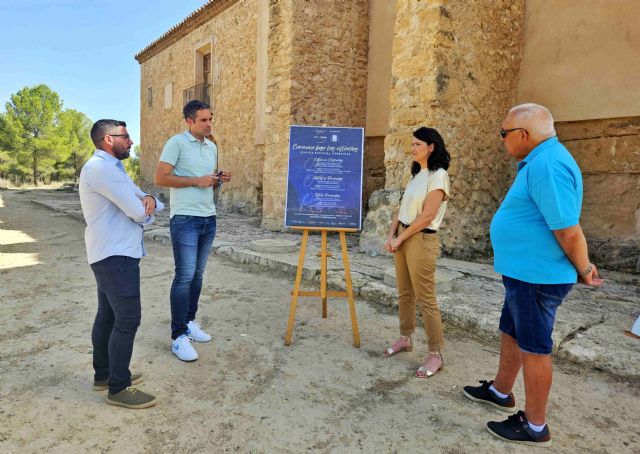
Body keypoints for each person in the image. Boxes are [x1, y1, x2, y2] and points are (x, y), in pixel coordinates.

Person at [462, 104, 603, 447]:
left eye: (503, 134)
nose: (502, 141)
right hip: (523, 273)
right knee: (511, 331)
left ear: (522, 135)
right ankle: (500, 390)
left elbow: (569, 231)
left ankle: (535, 426)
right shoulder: (540, 160)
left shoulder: (548, 166)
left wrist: (585, 269)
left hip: (537, 278)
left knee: (535, 348)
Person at [79, 119, 164, 409]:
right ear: (107, 140)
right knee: (126, 320)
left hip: (111, 253)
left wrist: (150, 199)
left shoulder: (113, 168)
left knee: (107, 316)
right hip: (116, 256)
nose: (131, 142)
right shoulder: (102, 169)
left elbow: (146, 199)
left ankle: (105, 375)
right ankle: (119, 387)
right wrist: (146, 206)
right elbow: (138, 212)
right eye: (125, 137)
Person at [154, 100, 231, 362]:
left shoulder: (211, 146)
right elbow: (161, 177)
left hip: (209, 218)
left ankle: (189, 322)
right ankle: (178, 337)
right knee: (184, 276)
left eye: (211, 119)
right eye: (203, 120)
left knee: (197, 275)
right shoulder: (176, 143)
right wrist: (197, 181)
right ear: (189, 122)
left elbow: (206, 182)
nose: (209, 124)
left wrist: (217, 179)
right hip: (185, 219)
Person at [382, 126, 451, 378]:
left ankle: (435, 354)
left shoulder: (438, 175)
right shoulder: (416, 176)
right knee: (405, 293)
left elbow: (427, 216)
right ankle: (405, 337)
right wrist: (391, 235)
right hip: (403, 236)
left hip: (421, 239)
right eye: (412, 144)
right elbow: (402, 211)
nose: (412, 148)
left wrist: (401, 238)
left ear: (431, 147)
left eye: (417, 144)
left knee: (426, 299)